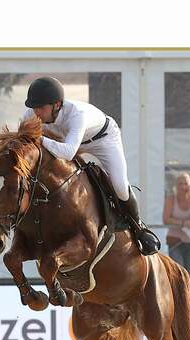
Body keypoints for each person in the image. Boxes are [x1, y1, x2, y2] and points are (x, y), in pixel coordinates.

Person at [21, 77, 160, 255]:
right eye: (34, 107)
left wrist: (39, 139)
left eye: (41, 108)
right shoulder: (31, 115)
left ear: (57, 105)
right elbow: (23, 142)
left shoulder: (77, 114)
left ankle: (138, 227)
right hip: (66, 142)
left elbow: (68, 152)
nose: (36, 112)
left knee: (119, 184)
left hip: (103, 140)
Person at [163, 173, 190, 274]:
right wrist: (183, 223)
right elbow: (166, 219)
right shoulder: (171, 199)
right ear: (176, 186)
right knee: (178, 272)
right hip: (175, 241)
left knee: (188, 274)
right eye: (180, 184)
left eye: (186, 184)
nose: (183, 186)